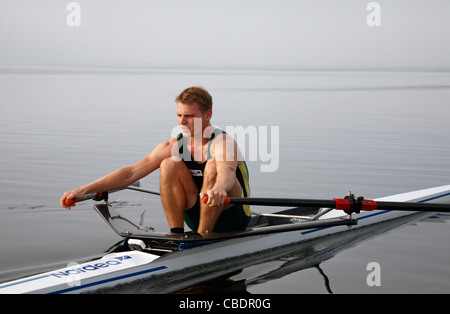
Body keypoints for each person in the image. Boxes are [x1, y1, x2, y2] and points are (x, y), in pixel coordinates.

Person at [60, 86, 250, 235]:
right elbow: (131, 173)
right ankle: (176, 234)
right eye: (179, 115)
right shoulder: (173, 145)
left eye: (189, 116)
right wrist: (83, 189)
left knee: (213, 166)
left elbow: (227, 171)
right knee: (168, 163)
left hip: (231, 215)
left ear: (207, 115)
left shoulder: (224, 143)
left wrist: (218, 189)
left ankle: (202, 236)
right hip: (196, 211)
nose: (182, 121)